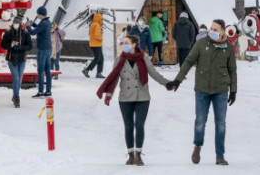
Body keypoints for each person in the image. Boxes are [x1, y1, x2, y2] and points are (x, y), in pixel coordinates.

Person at [165, 19, 237, 166]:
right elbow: (188, 61)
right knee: (200, 122)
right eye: (211, 28)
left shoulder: (228, 47)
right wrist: (177, 80)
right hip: (202, 89)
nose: (212, 32)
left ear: (223, 31)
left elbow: (232, 70)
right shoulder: (201, 43)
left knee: (221, 124)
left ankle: (220, 156)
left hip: (221, 90)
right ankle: (197, 146)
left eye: (216, 30)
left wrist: (233, 90)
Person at [97, 34, 171, 166]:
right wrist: (109, 94)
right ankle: (130, 155)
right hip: (125, 97)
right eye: (123, 43)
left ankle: (138, 154)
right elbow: (114, 78)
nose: (123, 45)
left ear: (133, 45)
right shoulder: (119, 59)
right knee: (129, 126)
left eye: (126, 43)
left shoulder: (143, 58)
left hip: (142, 96)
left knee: (140, 125)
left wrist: (167, 83)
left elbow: (153, 73)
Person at [1, 18, 33, 107]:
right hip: (12, 59)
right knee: (16, 78)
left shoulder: (25, 33)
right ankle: (17, 97)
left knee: (19, 80)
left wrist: (20, 47)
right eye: (14, 23)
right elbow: (3, 45)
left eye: (17, 23)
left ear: (20, 24)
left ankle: (15, 94)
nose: (16, 24)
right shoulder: (8, 33)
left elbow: (30, 46)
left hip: (22, 59)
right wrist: (10, 45)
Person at [26, 6, 53, 97]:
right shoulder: (47, 22)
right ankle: (48, 91)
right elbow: (40, 29)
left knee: (40, 70)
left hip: (42, 49)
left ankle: (41, 91)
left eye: (38, 14)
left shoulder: (43, 23)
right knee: (47, 70)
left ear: (40, 14)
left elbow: (33, 33)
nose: (37, 15)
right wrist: (33, 24)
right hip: (48, 48)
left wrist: (28, 26)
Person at [82, 13, 105, 78]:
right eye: (101, 19)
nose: (101, 20)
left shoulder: (92, 24)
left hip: (95, 43)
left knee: (101, 58)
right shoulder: (96, 25)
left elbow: (90, 33)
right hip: (96, 44)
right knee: (98, 58)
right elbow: (96, 35)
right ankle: (87, 70)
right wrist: (101, 37)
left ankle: (99, 73)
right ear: (98, 18)